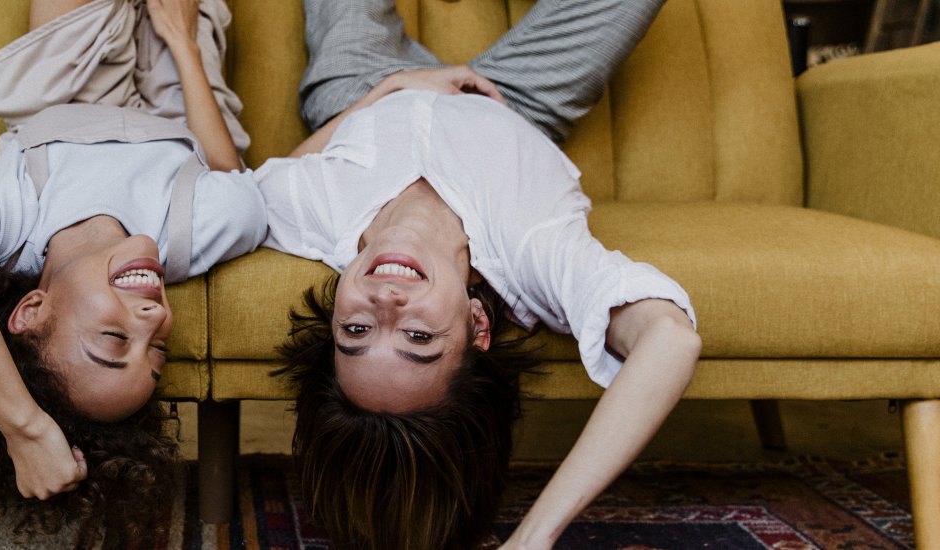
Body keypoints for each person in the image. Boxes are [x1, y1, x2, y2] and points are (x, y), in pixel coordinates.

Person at [256, 0, 700, 548]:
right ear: (477, 326)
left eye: (356, 332)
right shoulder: (531, 247)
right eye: (418, 337)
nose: (386, 304)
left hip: (362, 87)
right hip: (514, 100)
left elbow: (252, 188)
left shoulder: (313, 216)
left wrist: (387, 90)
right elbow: (670, 339)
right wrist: (531, 540)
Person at [0, 0, 265, 546]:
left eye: (115, 339)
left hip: (68, 89)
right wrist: (181, 42)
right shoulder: (190, 233)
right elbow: (236, 182)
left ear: (32, 310)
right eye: (157, 352)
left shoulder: (12, 225)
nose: (154, 319)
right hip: (182, 108)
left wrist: (23, 424)